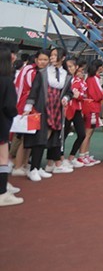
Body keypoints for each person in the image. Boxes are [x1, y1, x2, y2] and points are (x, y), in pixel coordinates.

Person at [23, 48, 71, 181]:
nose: (52, 57)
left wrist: (66, 98)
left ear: (63, 58)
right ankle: (33, 169)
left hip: (56, 109)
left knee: (47, 138)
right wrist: (28, 106)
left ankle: (37, 167)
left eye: (55, 55)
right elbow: (34, 90)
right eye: (52, 55)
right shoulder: (42, 73)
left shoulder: (66, 75)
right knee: (39, 138)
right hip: (42, 108)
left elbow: (69, 91)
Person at [0, 46, 22, 206]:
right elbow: (9, 106)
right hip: (2, 123)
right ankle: (2, 193)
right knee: (2, 158)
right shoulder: (6, 80)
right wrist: (14, 114)